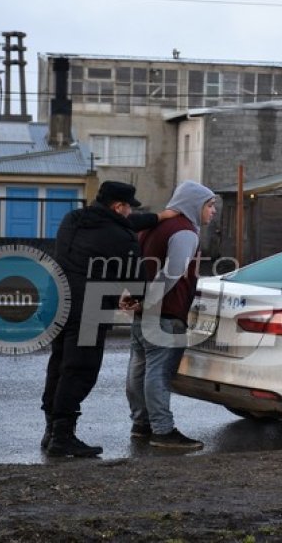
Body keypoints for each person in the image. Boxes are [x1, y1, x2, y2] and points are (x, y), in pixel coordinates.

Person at [41, 180, 176, 458]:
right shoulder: (122, 237)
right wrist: (134, 300)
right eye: (128, 208)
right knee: (80, 369)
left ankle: (51, 430)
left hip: (55, 300)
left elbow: (122, 224)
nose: (131, 213)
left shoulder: (73, 219)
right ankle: (62, 438)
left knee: (58, 365)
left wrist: (159, 217)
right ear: (118, 206)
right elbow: (136, 279)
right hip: (87, 307)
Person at [125, 180, 216, 450]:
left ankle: (141, 424)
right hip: (165, 312)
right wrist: (150, 301)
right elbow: (172, 273)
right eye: (210, 205)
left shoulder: (151, 228)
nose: (213, 211)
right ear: (194, 205)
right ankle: (163, 431)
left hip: (144, 312)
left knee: (139, 369)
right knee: (159, 373)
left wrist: (134, 297)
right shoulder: (184, 232)